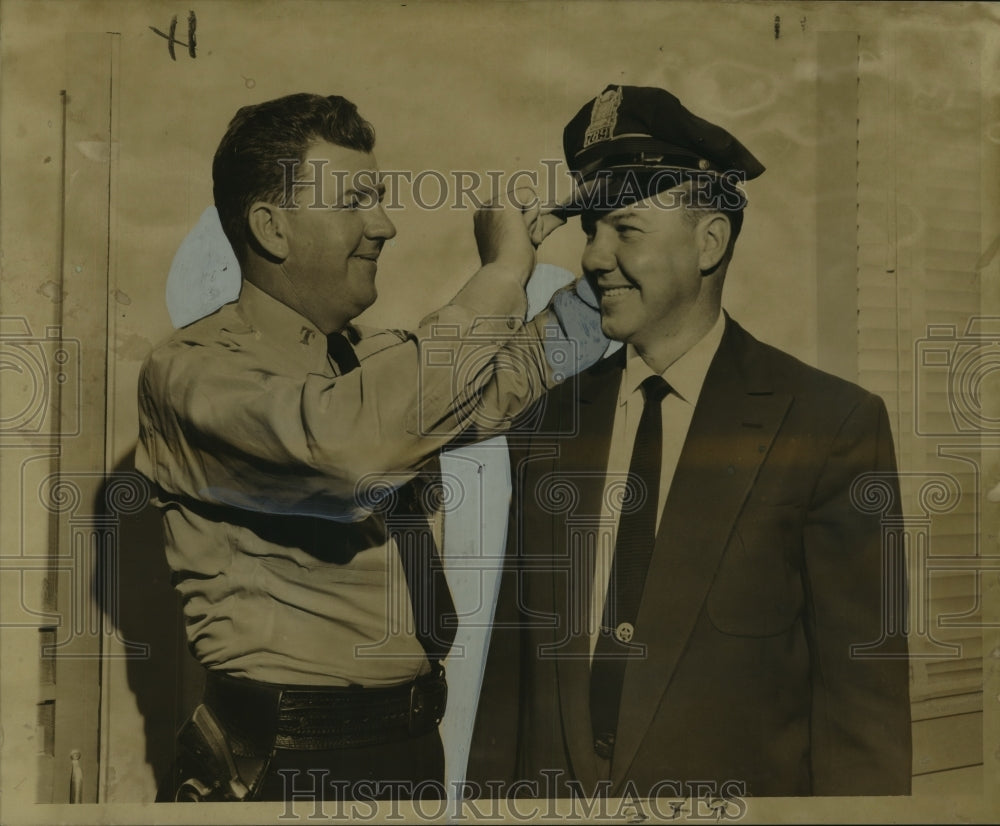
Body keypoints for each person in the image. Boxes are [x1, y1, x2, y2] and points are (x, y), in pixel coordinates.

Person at [135, 92, 601, 803]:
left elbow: (514, 378)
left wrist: (619, 273)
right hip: (286, 768)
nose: (384, 226)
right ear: (272, 227)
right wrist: (503, 271)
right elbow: (348, 451)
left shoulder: (362, 365)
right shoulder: (195, 371)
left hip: (404, 748)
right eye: (355, 200)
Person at [468, 84, 912, 799]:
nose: (592, 257)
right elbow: (511, 684)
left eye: (625, 228)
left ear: (711, 241)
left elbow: (864, 705)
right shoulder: (548, 421)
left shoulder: (830, 425)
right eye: (590, 230)